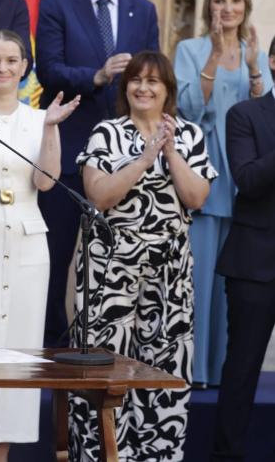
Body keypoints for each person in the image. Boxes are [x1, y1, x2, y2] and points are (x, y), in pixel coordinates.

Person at [70, 51, 216, 461]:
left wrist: (170, 152)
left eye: (153, 81)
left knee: (166, 367)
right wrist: (146, 158)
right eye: (136, 80)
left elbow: (197, 197)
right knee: (103, 369)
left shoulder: (189, 135)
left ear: (168, 90)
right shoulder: (107, 132)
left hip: (170, 269)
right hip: (111, 267)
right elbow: (99, 196)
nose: (143, 88)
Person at [0, 30, 79, 462]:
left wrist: (51, 128)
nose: (3, 68)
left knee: (18, 348)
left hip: (27, 243)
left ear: (25, 67)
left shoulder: (39, 118)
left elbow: (45, 182)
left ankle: (1, 454)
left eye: (11, 60)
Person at [35, 0, 159, 347]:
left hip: (125, 158)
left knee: (120, 261)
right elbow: (47, 71)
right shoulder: (56, 3)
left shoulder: (144, 9)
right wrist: (97, 76)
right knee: (55, 260)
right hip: (67, 154)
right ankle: (51, 348)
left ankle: (106, 347)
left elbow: (153, 75)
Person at [174, 0, 273, 389]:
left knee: (241, 284)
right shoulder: (190, 49)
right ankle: (195, 370)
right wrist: (214, 57)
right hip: (204, 172)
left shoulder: (257, 53)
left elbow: (265, 115)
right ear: (207, 7)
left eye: (234, 1)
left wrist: (253, 69)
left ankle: (222, 371)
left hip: (249, 180)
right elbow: (187, 110)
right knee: (201, 281)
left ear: (245, 7)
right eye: (219, 1)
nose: (227, 8)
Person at [212, 35, 275, 462]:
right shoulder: (245, 114)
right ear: (273, 61)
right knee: (242, 369)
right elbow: (248, 180)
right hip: (256, 263)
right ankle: (226, 456)